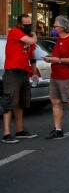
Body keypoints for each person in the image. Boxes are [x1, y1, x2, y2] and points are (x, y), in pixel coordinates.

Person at [43, 16, 69, 140]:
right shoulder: (58, 40)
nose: (53, 28)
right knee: (55, 102)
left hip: (66, 76)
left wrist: (58, 60)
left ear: (62, 27)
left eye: (55, 26)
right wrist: (51, 59)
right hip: (55, 76)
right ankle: (58, 129)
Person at [2, 14, 39, 143]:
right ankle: (6, 134)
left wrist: (34, 72)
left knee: (21, 103)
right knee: (9, 101)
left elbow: (32, 53)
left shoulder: (27, 36)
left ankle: (20, 130)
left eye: (30, 25)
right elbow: (32, 41)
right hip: (12, 72)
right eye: (26, 25)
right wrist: (34, 35)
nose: (28, 27)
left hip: (24, 72)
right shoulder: (14, 32)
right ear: (19, 24)